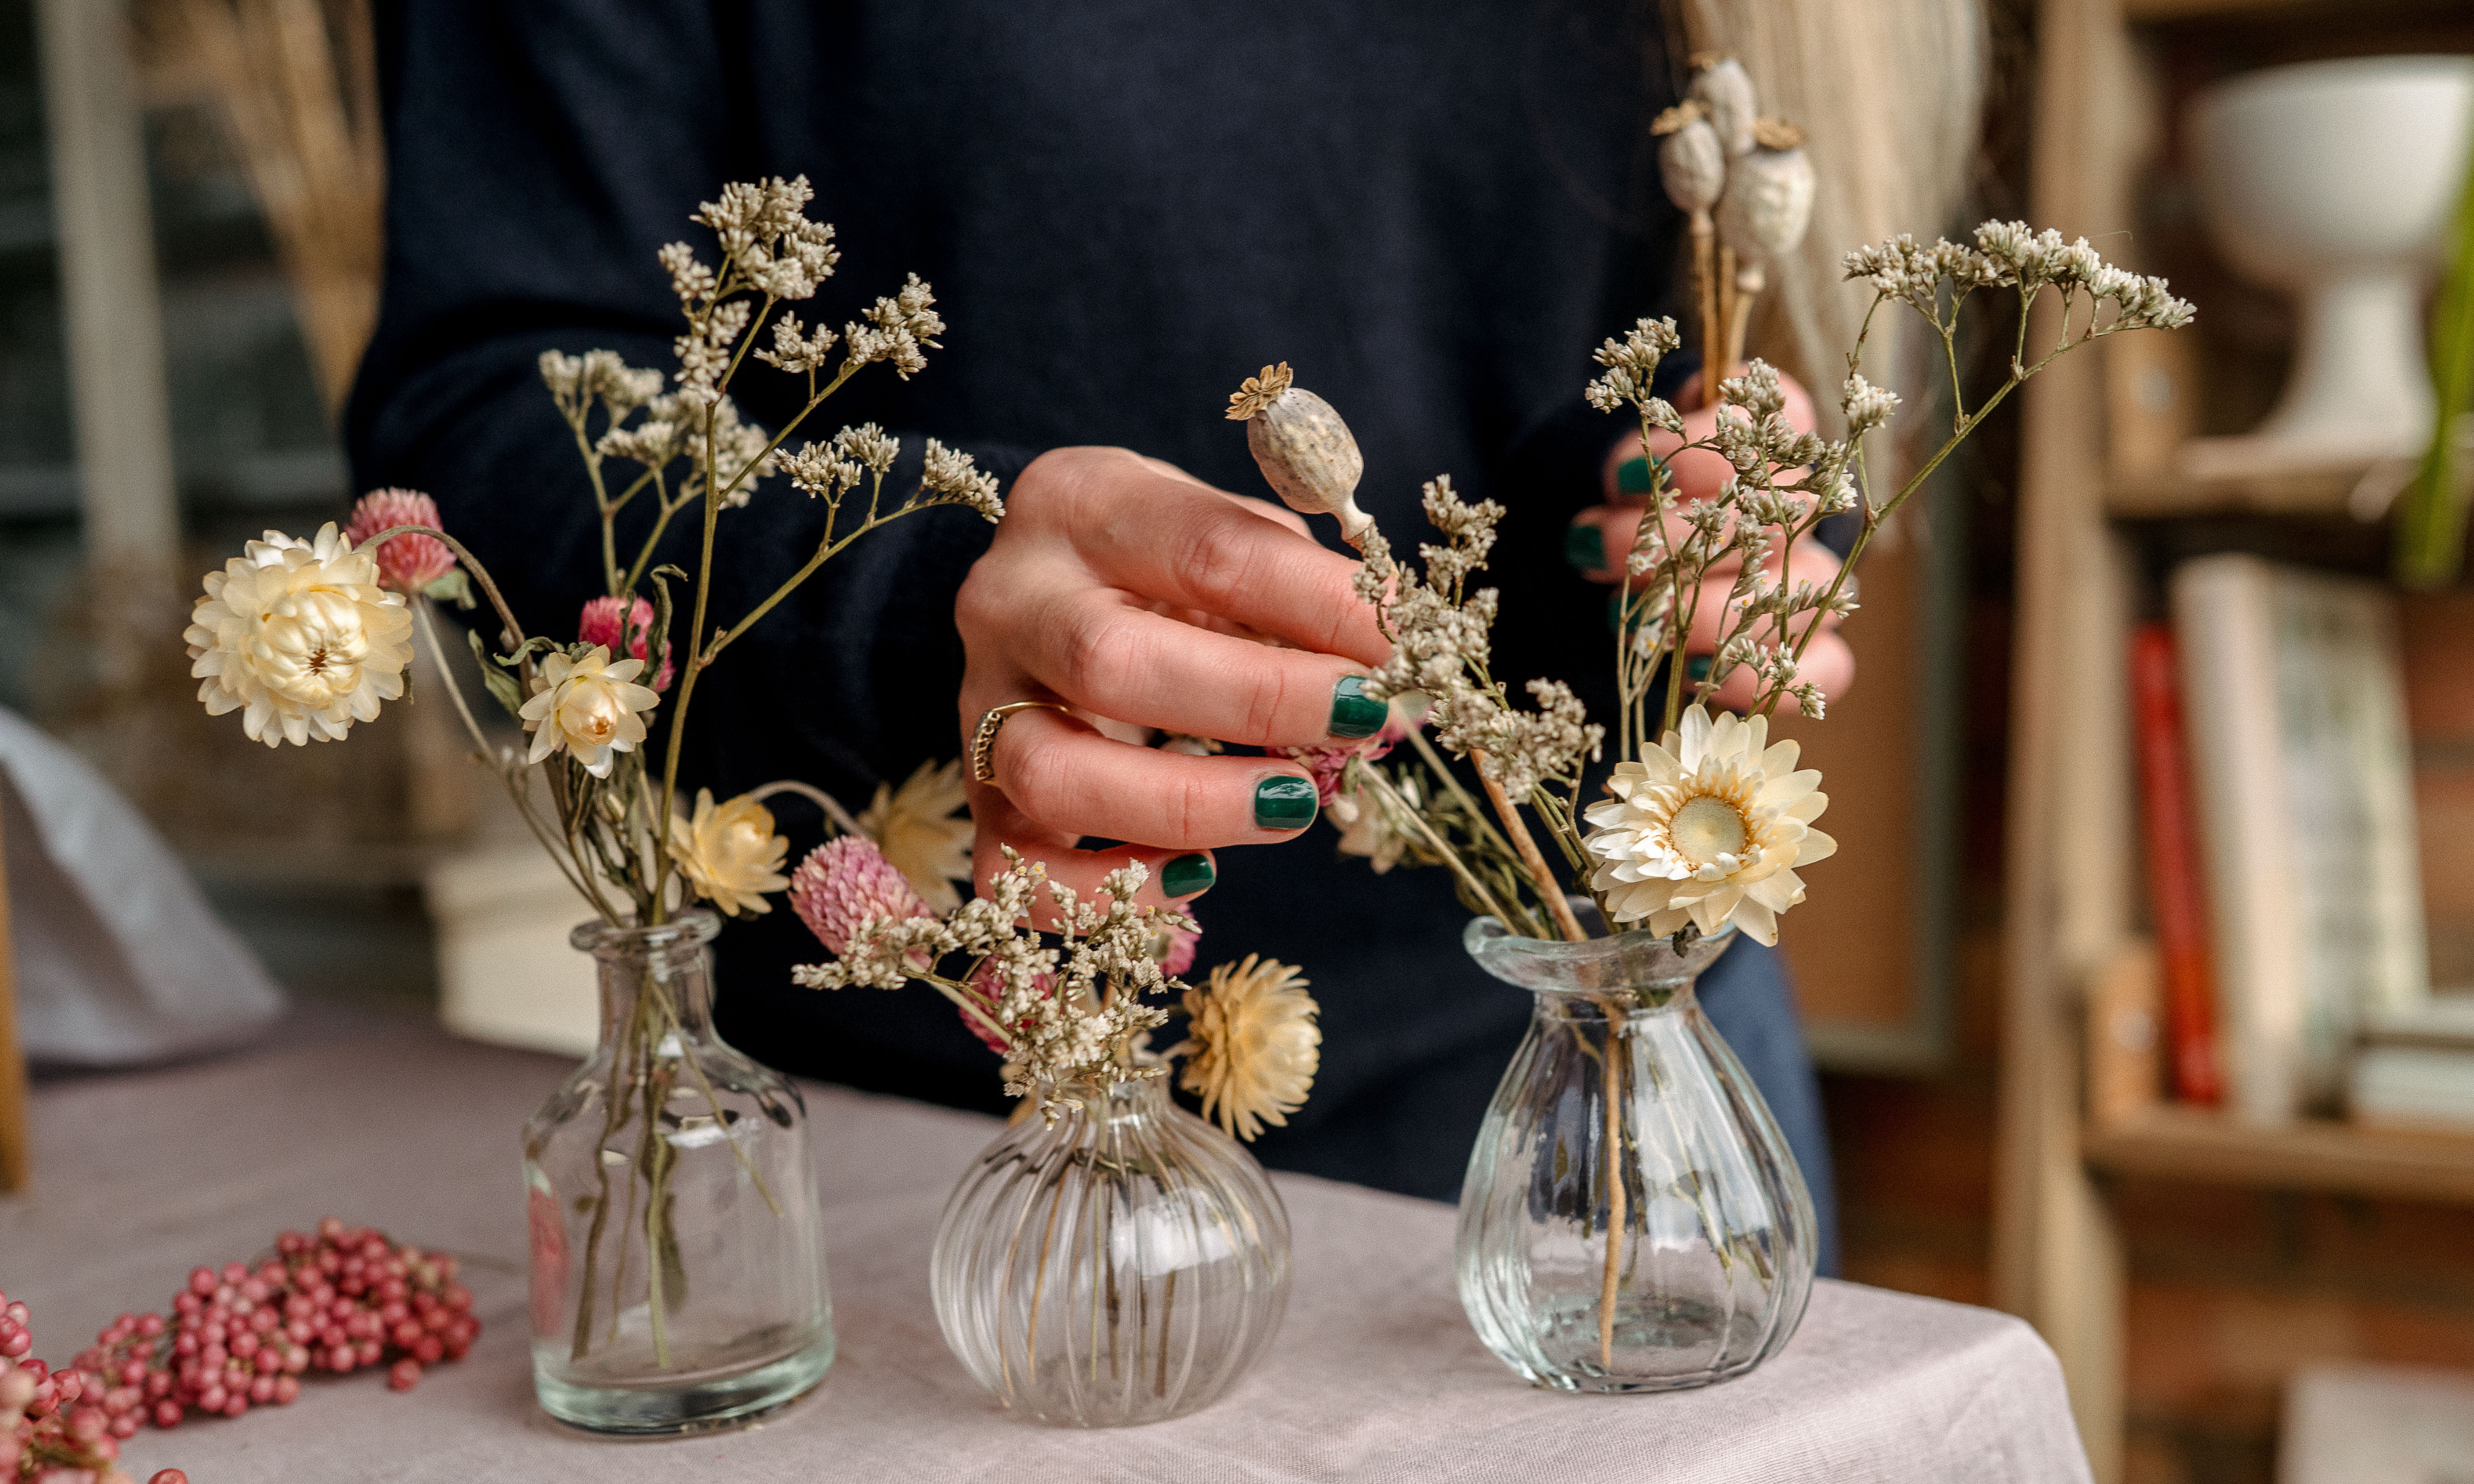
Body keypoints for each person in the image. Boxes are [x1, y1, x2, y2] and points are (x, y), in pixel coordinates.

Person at [349, 1, 1984, 1276]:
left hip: (1620, 1122)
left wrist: (1700, 513)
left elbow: (1757, 330)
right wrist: (925, 589)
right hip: (950, 1172)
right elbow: (486, 418)